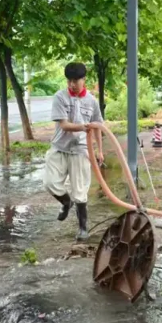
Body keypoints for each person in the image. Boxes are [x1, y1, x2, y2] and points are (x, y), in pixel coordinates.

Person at [45, 62, 104, 240]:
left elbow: (98, 127)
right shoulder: (60, 97)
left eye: (75, 81)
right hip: (60, 147)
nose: (72, 85)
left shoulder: (92, 101)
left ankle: (83, 228)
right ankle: (65, 202)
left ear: (83, 80)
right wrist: (83, 126)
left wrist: (99, 151)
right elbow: (63, 125)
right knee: (50, 183)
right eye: (69, 81)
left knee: (80, 190)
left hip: (80, 150)